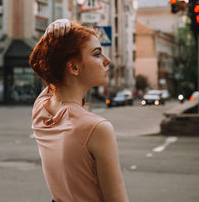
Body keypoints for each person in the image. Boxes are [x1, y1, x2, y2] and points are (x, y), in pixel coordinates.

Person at [29, 19, 129, 202]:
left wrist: (50, 35)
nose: (107, 61)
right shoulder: (96, 128)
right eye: (97, 54)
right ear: (74, 67)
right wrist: (52, 33)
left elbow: (44, 65)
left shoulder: (41, 111)